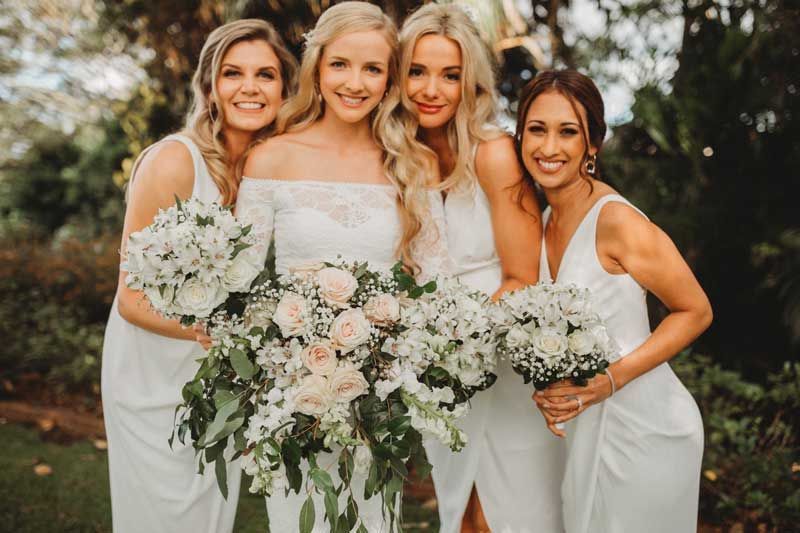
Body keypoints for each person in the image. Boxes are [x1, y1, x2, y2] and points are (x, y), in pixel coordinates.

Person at [233, 3, 448, 531]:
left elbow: (435, 285)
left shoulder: (414, 163)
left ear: (390, 78)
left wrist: (398, 362)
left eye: (373, 69)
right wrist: (277, 358)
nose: (355, 83)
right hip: (290, 390)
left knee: (372, 519)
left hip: (381, 394)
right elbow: (237, 284)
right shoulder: (271, 157)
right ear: (317, 68)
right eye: (341, 65)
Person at [101, 19, 297, 533]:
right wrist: (229, 337)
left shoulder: (266, 171)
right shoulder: (174, 161)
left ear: (284, 88)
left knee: (209, 514)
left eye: (266, 75)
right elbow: (129, 299)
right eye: (233, 73)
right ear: (210, 86)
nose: (250, 87)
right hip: (149, 372)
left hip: (217, 378)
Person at [518, 69, 712, 533]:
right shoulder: (541, 219)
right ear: (520, 134)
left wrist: (609, 380)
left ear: (592, 145)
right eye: (537, 129)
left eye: (568, 132)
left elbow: (696, 310)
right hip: (583, 432)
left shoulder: (616, 221)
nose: (549, 147)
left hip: (646, 430)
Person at [398, 4, 565, 533]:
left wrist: (462, 341)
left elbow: (522, 277)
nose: (432, 89)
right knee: (460, 507)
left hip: (501, 355)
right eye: (417, 71)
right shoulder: (396, 157)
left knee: (507, 510)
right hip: (436, 368)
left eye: (451, 75)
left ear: (471, 83)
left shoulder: (494, 154)